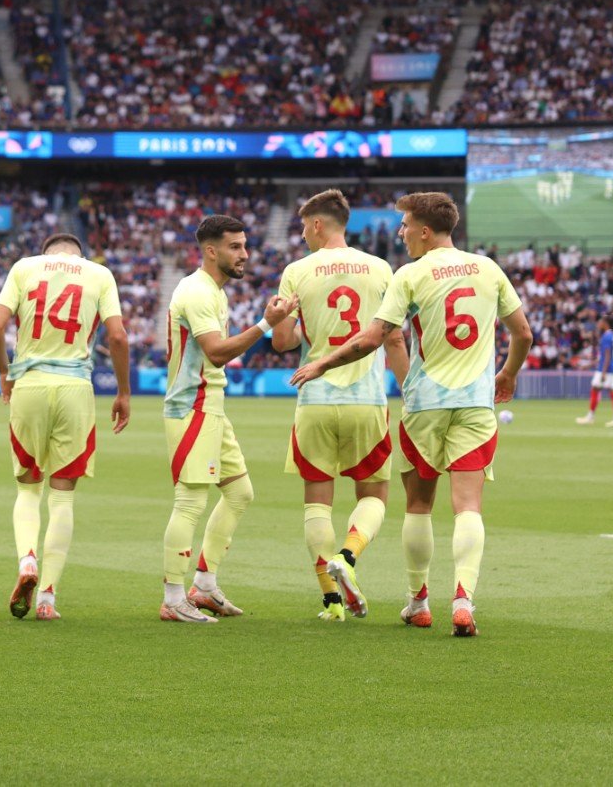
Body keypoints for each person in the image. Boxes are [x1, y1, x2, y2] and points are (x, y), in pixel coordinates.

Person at [293, 192, 531, 638]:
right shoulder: (488, 268)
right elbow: (523, 333)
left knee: (419, 506)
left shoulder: (411, 275)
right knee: (468, 506)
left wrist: (323, 362)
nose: (400, 233)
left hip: (423, 405)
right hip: (477, 405)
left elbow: (375, 339)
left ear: (424, 230)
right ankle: (462, 599)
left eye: (404, 226)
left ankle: (419, 602)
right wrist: (508, 375)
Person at [270, 190, 409, 621]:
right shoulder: (380, 268)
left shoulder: (296, 271)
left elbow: (283, 342)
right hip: (366, 400)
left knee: (317, 500)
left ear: (316, 224)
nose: (303, 235)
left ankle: (331, 602)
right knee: (374, 493)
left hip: (314, 397)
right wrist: (410, 392)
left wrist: (276, 321)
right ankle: (348, 556)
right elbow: (393, 337)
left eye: (303, 227)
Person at [0, 232, 130, 621]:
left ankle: (27, 559)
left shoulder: (24, 268)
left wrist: (5, 372)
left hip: (29, 385)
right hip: (75, 388)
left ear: (47, 253)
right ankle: (48, 597)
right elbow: (116, 335)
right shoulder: (98, 274)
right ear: (77, 255)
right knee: (63, 495)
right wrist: (123, 392)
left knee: (28, 488)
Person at [159, 215, 294, 624]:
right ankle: (172, 596)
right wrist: (266, 325)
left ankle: (204, 583)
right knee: (191, 500)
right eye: (235, 246)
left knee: (240, 493)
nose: (245, 254)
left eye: (245, 245)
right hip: (193, 407)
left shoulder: (214, 292)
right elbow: (217, 352)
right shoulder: (197, 291)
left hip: (212, 405)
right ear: (211, 251)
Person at [577, 318, 613, 427]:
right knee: (612, 391)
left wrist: (604, 372)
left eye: (600, 322)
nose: (598, 324)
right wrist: (589, 365)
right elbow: (605, 355)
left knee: (597, 389)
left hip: (606, 368)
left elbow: (607, 355)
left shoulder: (606, 337)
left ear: (605, 323)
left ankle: (591, 416)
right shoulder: (612, 335)